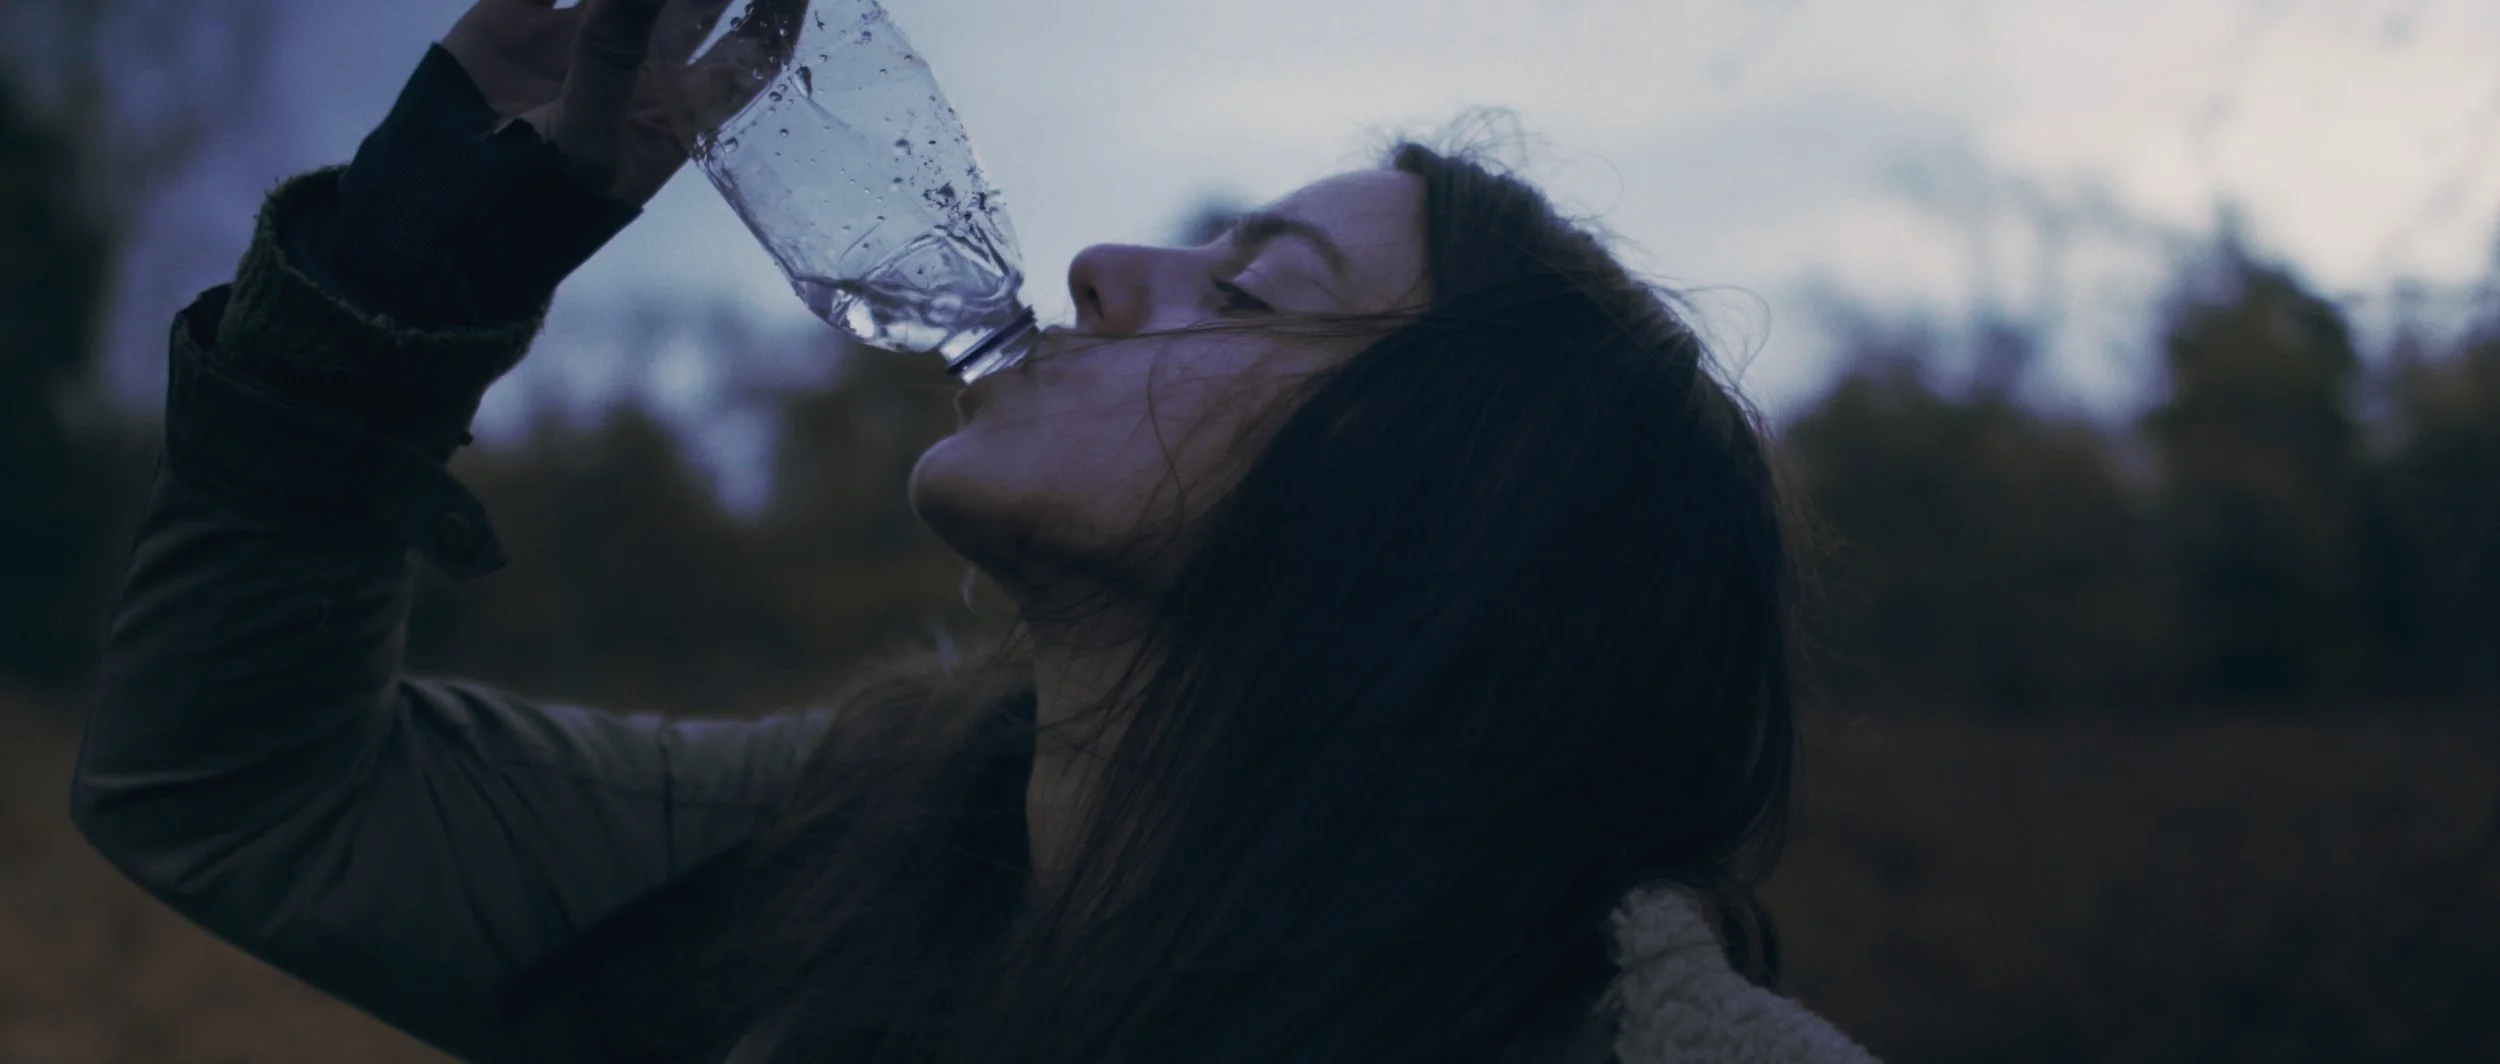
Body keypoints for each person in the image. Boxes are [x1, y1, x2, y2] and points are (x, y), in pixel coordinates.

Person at [72, 1, 1881, 1062]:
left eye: (1250, 288)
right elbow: (236, 795)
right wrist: (431, 236)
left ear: (1449, 514)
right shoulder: (845, 830)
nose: (1103, 266)